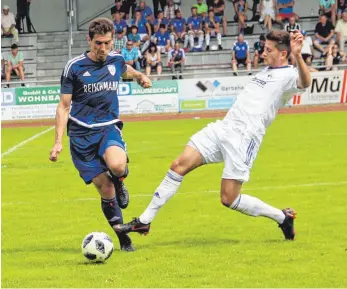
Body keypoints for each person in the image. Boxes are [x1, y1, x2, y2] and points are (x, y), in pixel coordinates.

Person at [114, 30, 311, 242]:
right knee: (178, 165)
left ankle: (282, 218)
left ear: (283, 54)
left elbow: (305, 83)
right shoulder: (265, 72)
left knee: (228, 198)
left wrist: (298, 55)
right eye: (264, 48)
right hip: (223, 128)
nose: (263, 53)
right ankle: (145, 220)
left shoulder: (289, 75)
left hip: (244, 138)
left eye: (268, 50)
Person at [49, 18, 152, 252]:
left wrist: (140, 77)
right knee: (105, 190)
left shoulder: (116, 59)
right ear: (89, 40)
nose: (102, 48)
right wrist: (57, 143)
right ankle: (124, 239)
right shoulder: (74, 67)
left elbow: (126, 71)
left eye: (106, 43)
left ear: (112, 40)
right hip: (80, 135)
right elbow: (64, 106)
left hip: (108, 126)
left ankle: (120, 180)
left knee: (117, 166)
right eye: (98, 43)